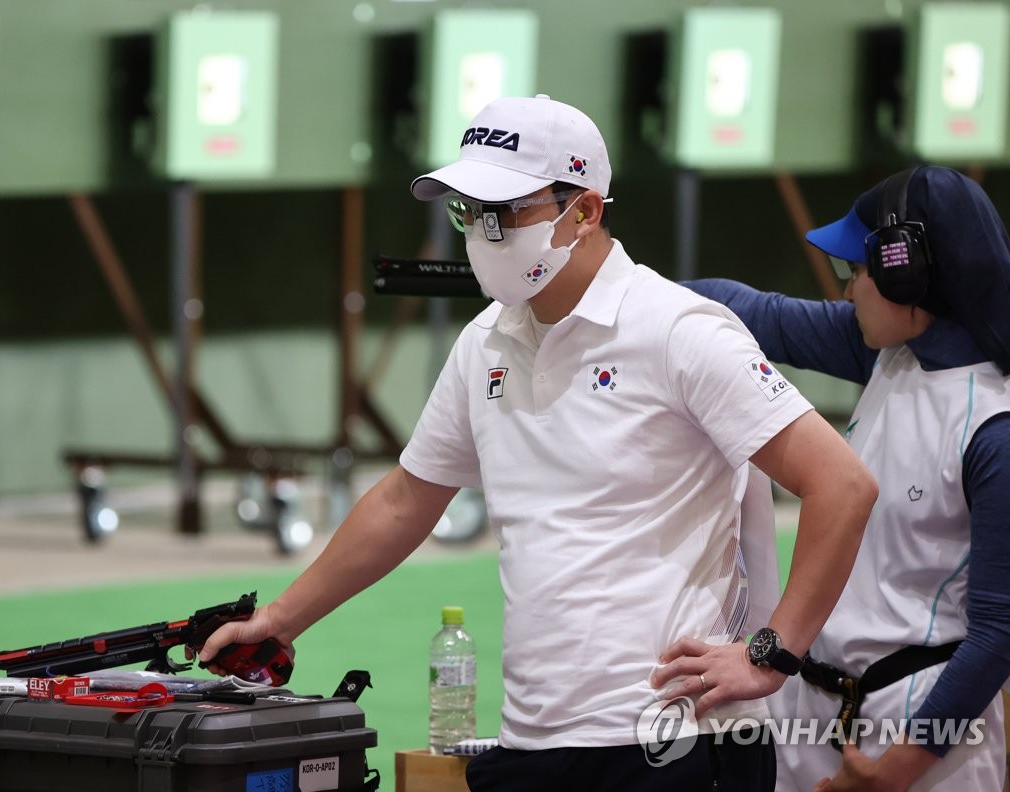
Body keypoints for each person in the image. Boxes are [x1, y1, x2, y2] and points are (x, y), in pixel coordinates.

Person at [197, 94, 876, 791]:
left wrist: (772, 654)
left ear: (582, 211)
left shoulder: (681, 330)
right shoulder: (485, 342)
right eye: (467, 212)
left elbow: (843, 485)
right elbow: (406, 498)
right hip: (536, 739)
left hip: (675, 742)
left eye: (502, 213)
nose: (480, 234)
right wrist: (282, 619)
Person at [684, 165, 1010, 791]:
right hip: (812, 714)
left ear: (905, 273)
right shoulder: (890, 351)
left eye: (854, 272)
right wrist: (609, 287)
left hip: (924, 741)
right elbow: (748, 309)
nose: (846, 292)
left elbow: (998, 634)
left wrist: (896, 772)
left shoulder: (993, 428)